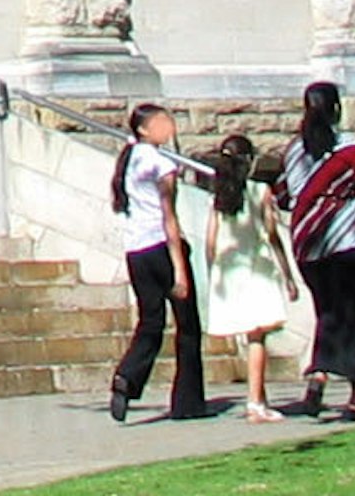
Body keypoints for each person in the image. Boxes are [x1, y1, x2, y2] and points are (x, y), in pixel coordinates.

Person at [274, 79, 355, 420]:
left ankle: (317, 378)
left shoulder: (294, 150)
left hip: (308, 243)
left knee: (328, 312)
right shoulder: (350, 146)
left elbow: (283, 194)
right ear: (337, 109)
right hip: (346, 241)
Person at [108, 100, 214, 423]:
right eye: (162, 122)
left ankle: (128, 375)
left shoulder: (129, 161)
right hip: (161, 247)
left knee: (150, 321)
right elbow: (169, 218)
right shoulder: (160, 164)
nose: (169, 127)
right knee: (188, 326)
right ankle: (188, 401)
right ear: (143, 129)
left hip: (136, 250)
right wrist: (180, 269)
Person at [196, 133, 301, 420]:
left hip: (228, 270)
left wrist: (212, 272)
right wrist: (288, 274)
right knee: (258, 336)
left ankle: (260, 397)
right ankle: (255, 402)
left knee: (251, 334)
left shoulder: (218, 198)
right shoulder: (259, 191)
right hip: (256, 267)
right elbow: (271, 233)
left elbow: (210, 241)